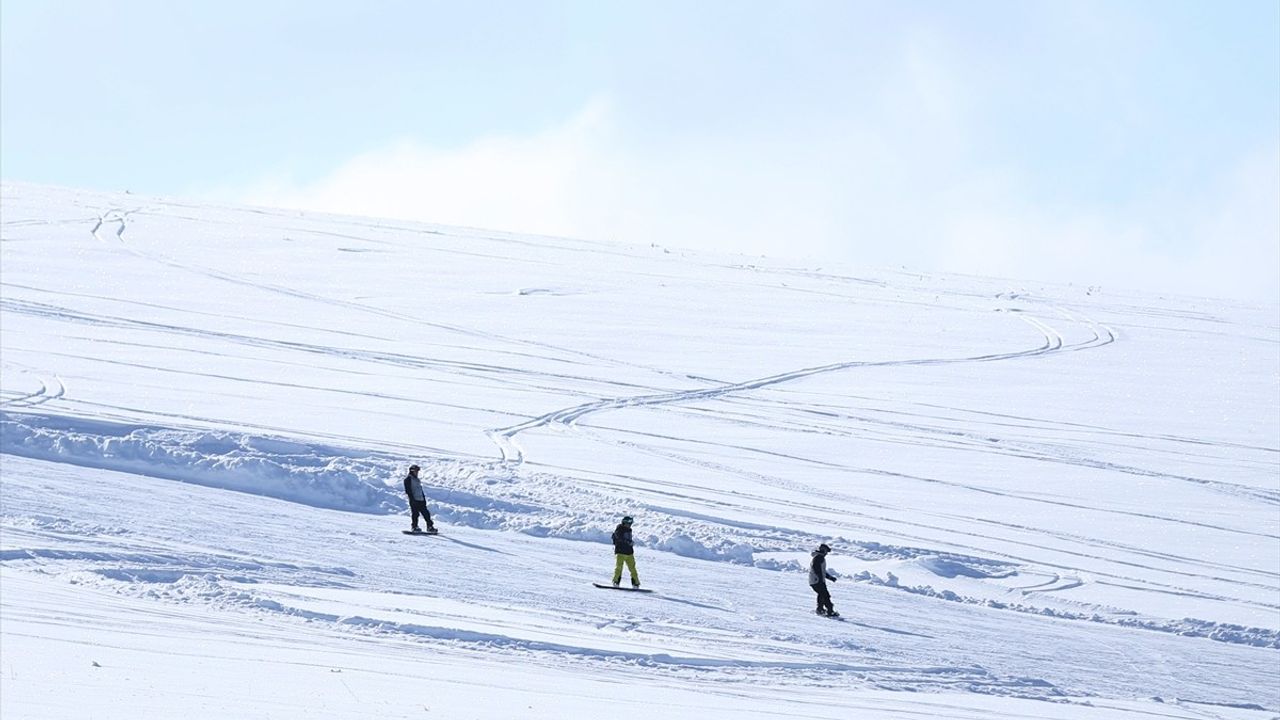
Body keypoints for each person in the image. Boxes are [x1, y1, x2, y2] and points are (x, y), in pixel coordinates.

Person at [403, 464, 436, 533]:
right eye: (416, 471)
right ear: (412, 471)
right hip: (414, 500)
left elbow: (420, 490)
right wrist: (412, 499)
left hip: (421, 500)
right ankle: (414, 527)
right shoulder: (408, 479)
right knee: (415, 514)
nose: (417, 473)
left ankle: (430, 527)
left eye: (417, 471)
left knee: (426, 514)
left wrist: (423, 498)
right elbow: (408, 490)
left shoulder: (417, 480)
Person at [611, 515, 641, 588]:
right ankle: (616, 582)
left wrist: (630, 544)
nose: (629, 525)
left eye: (630, 523)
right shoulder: (619, 529)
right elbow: (619, 538)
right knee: (619, 568)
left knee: (632, 568)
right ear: (624, 523)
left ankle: (636, 583)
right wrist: (627, 542)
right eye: (628, 523)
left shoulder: (629, 530)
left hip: (629, 553)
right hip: (620, 552)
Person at [809, 543, 838, 616]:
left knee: (822, 594)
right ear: (823, 550)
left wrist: (830, 578)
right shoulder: (819, 558)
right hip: (817, 581)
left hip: (814, 581)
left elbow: (822, 571)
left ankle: (820, 609)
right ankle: (830, 611)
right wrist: (819, 578)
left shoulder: (818, 557)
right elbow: (817, 569)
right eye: (826, 552)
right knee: (825, 595)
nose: (826, 554)